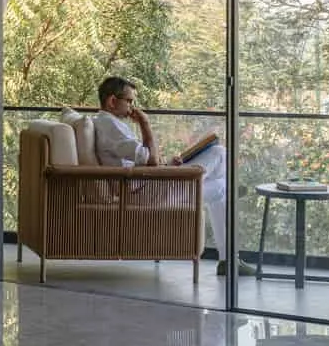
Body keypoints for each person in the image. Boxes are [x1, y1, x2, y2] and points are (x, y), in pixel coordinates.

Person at [94, 76, 247, 275]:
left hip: (151, 184)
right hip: (145, 193)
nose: (133, 107)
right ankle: (228, 259)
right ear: (112, 101)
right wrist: (145, 123)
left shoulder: (111, 124)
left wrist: (168, 165)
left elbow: (146, 161)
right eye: (129, 101)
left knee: (219, 156)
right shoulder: (109, 126)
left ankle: (228, 259)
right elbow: (150, 160)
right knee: (221, 182)